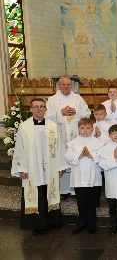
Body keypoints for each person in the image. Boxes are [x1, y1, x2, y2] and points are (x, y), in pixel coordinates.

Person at [11, 98, 66, 234]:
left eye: (42, 106)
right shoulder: (24, 126)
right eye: (36, 107)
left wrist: (60, 166)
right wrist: (22, 168)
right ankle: (36, 224)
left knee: (50, 191)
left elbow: (59, 148)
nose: (39, 109)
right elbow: (20, 148)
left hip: (50, 167)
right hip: (32, 167)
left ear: (45, 109)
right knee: (35, 193)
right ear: (31, 109)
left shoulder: (53, 126)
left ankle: (52, 222)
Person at [46, 76, 91, 198]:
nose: (66, 87)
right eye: (63, 85)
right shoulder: (52, 100)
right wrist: (61, 113)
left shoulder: (78, 98)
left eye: (68, 85)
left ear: (71, 86)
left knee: (77, 159)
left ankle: (77, 189)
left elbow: (87, 113)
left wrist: (77, 112)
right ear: (59, 86)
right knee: (62, 160)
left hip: (76, 135)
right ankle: (64, 191)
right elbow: (46, 116)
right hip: (60, 135)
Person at [64, 118, 105, 235]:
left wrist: (91, 155)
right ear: (78, 129)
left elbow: (102, 157)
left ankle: (92, 223)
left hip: (93, 177)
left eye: (88, 128)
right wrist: (80, 155)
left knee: (92, 201)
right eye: (82, 128)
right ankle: (81, 222)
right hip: (79, 177)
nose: (85, 130)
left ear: (92, 129)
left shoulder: (99, 143)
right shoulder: (73, 143)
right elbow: (67, 157)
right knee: (81, 201)